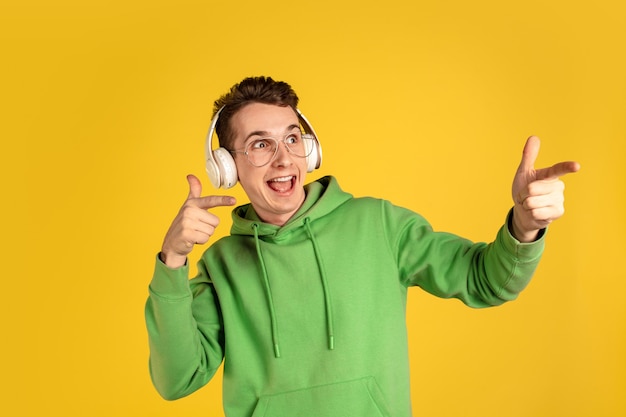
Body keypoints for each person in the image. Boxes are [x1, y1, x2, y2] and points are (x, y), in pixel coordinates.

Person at [145, 76, 580, 417]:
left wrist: (524, 227)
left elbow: (486, 282)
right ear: (226, 166)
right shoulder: (222, 265)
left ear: (310, 150)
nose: (283, 158)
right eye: (260, 144)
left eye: (293, 138)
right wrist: (173, 261)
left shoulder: (379, 224)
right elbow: (177, 379)